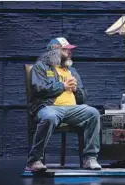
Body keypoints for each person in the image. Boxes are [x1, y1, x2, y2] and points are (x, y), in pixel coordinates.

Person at [25, 37, 101, 172]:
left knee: (93, 113)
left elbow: (83, 98)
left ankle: (89, 158)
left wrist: (77, 90)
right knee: (50, 116)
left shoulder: (72, 71)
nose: (70, 53)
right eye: (66, 50)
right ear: (55, 51)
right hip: (49, 108)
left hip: (72, 110)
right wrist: (63, 86)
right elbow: (39, 89)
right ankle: (34, 160)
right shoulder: (41, 67)